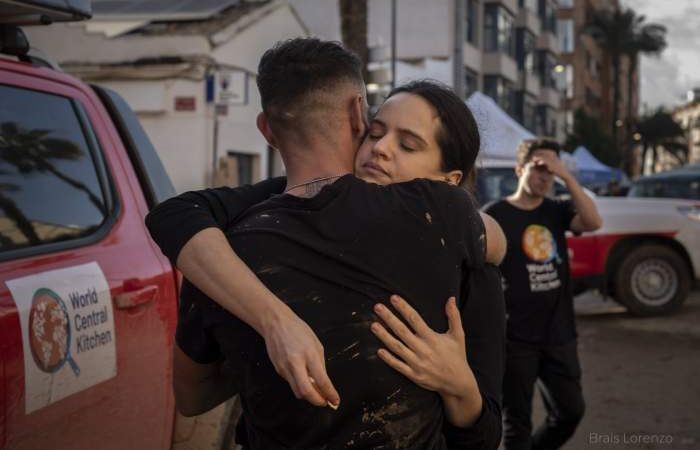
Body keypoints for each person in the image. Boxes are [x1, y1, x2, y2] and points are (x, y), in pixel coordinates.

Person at [146, 38, 504, 449]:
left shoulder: (216, 254)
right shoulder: (221, 251)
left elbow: (192, 397)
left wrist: (461, 386)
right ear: (357, 115)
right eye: (376, 132)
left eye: (407, 145)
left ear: (450, 183)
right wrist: (271, 330)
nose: (382, 150)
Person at [483, 138, 602, 450]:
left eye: (552, 169)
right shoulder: (494, 214)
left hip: (559, 334)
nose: (545, 175)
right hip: (514, 338)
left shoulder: (556, 211)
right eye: (539, 167)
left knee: (570, 411)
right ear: (520, 168)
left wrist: (568, 177)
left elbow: (593, 221)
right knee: (515, 426)